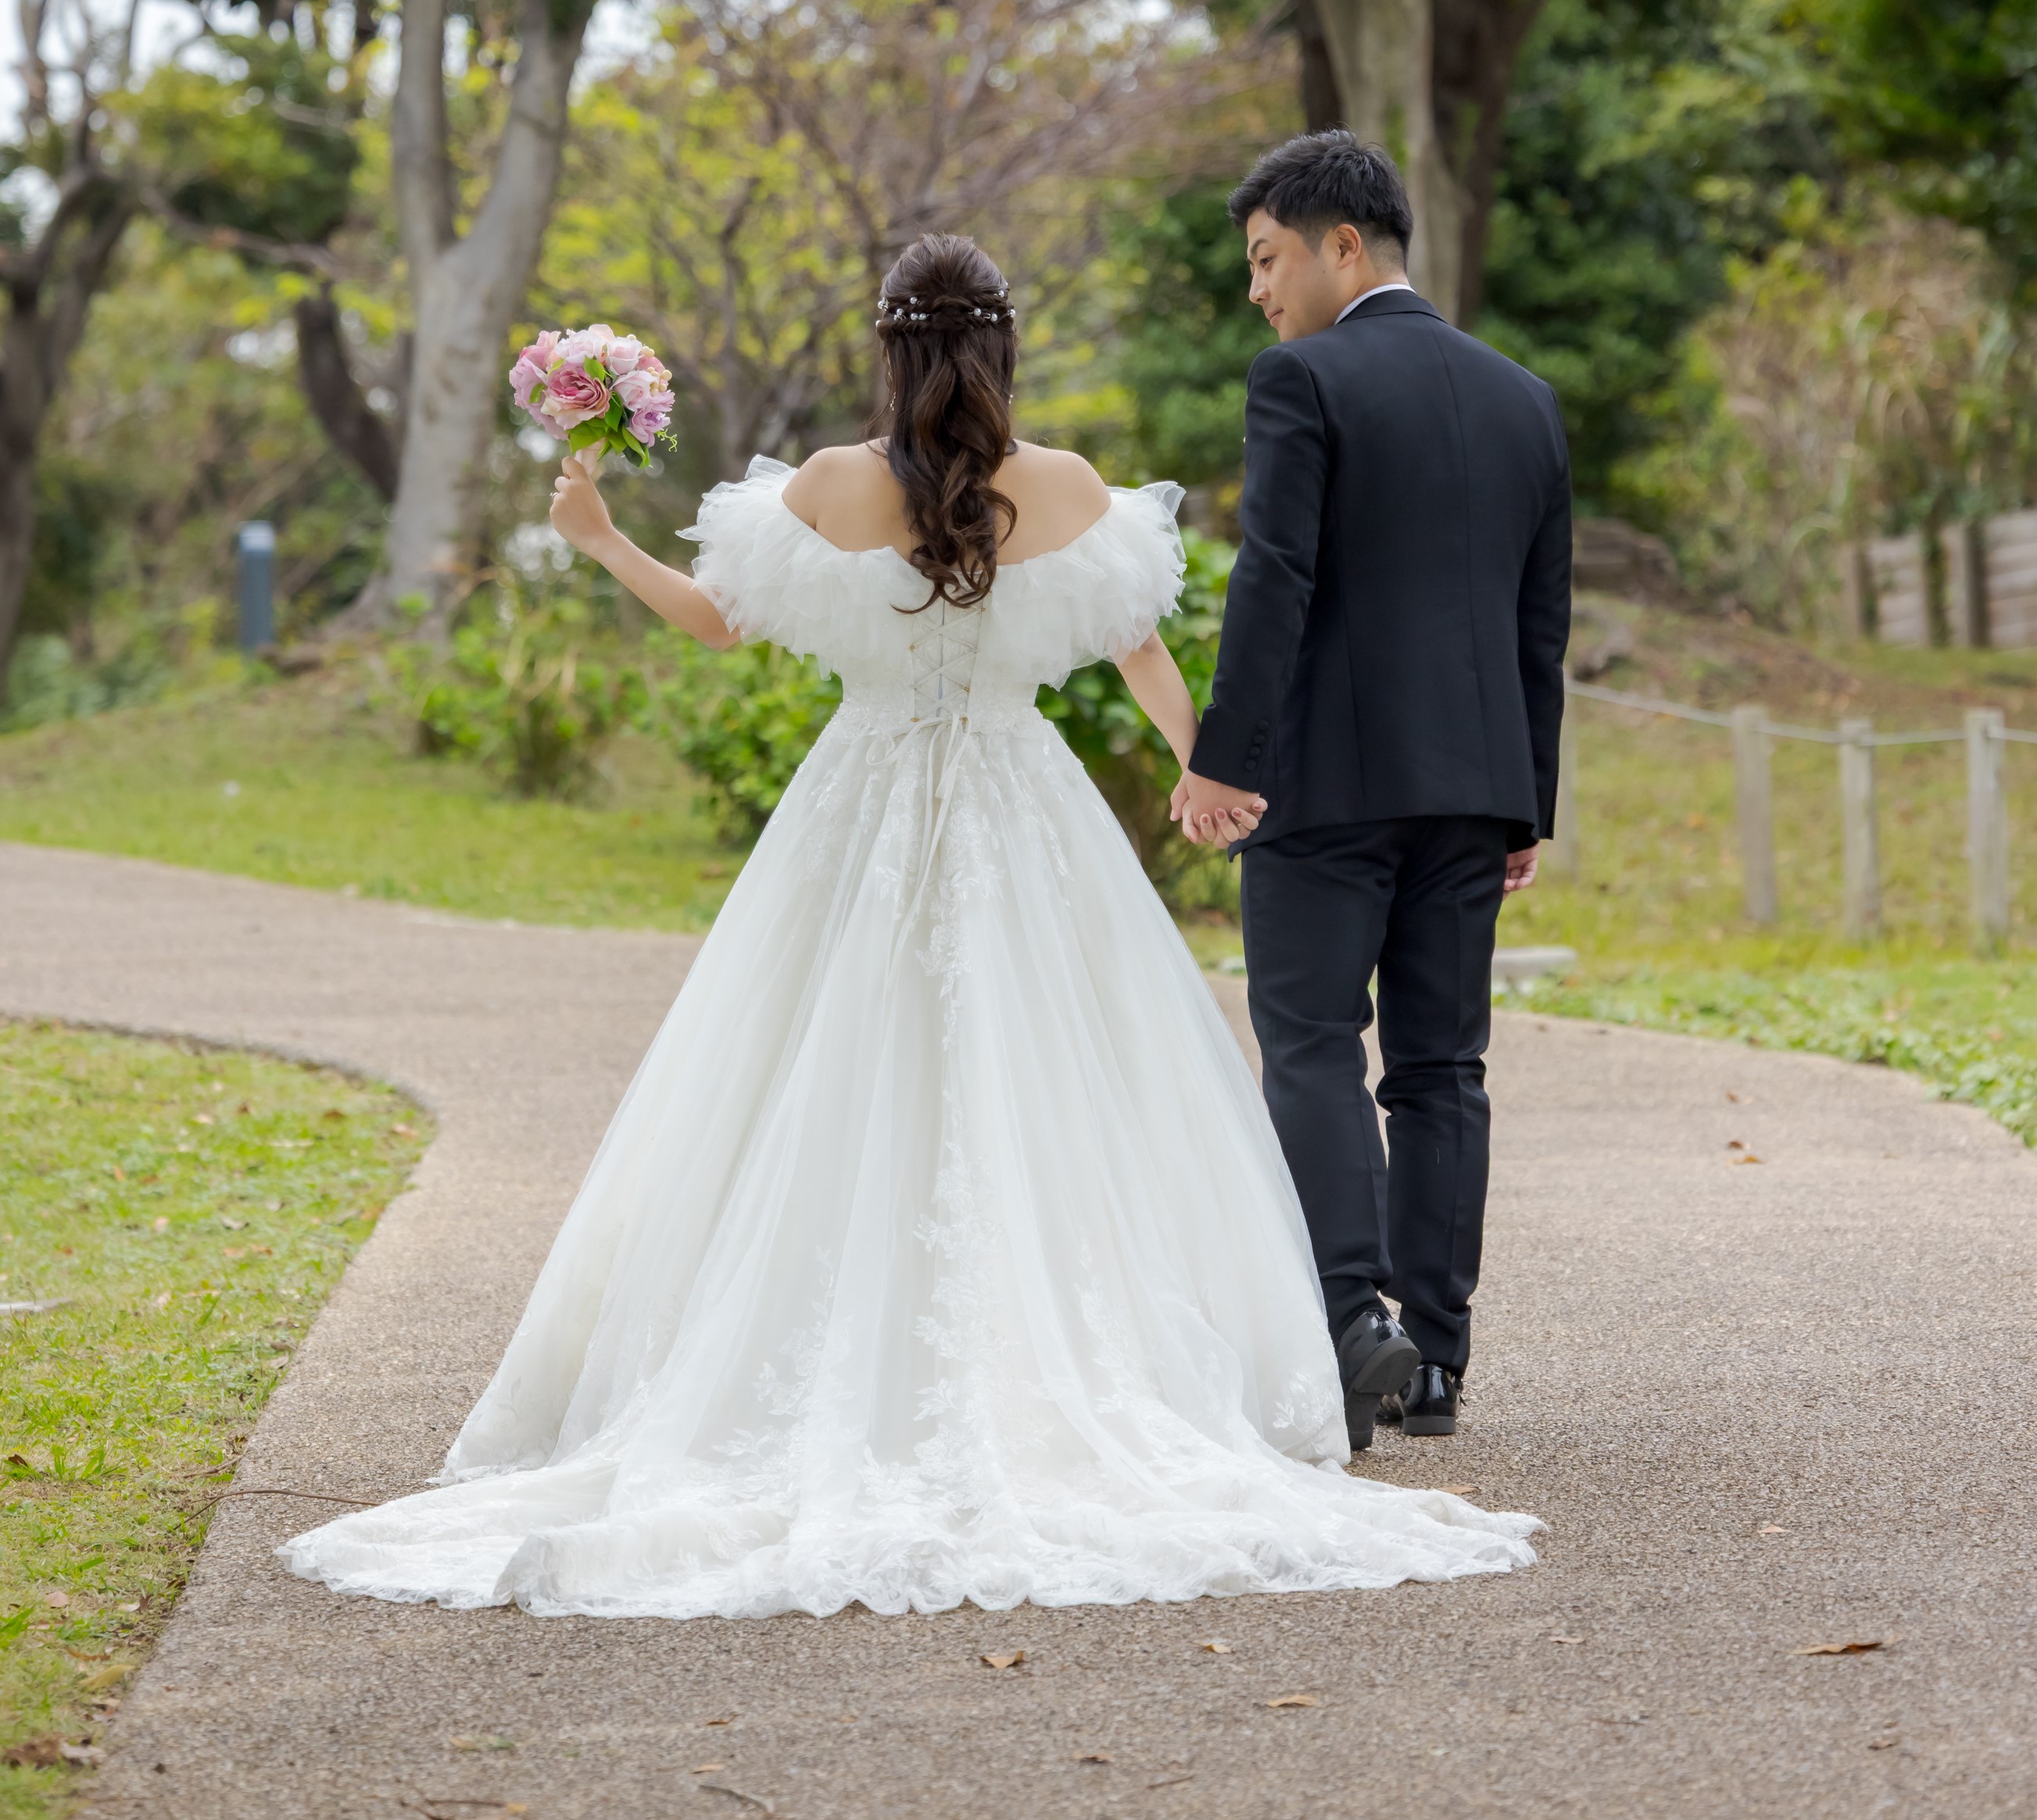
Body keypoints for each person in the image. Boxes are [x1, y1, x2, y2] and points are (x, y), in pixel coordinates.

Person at [280, 233, 1538, 1619]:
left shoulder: (829, 485)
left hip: (858, 809)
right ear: (1004, 347)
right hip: (1023, 810)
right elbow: (1144, 653)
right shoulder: (1070, 490)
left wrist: (599, 539)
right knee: (1059, 1082)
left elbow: (716, 624)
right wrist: (1210, 772)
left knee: (820, 1074)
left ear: (890, 349)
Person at [1172, 134, 1572, 1450]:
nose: (1257, 292)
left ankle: (1354, 1327)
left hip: (1326, 789)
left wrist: (1225, 757)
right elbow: (1540, 624)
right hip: (1474, 789)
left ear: (1344, 247)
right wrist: (1526, 802)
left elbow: (1274, 574)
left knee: (1310, 1047)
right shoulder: (1525, 399)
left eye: (1267, 259)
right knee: (1443, 1066)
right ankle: (1438, 1358)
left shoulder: (1302, 378)